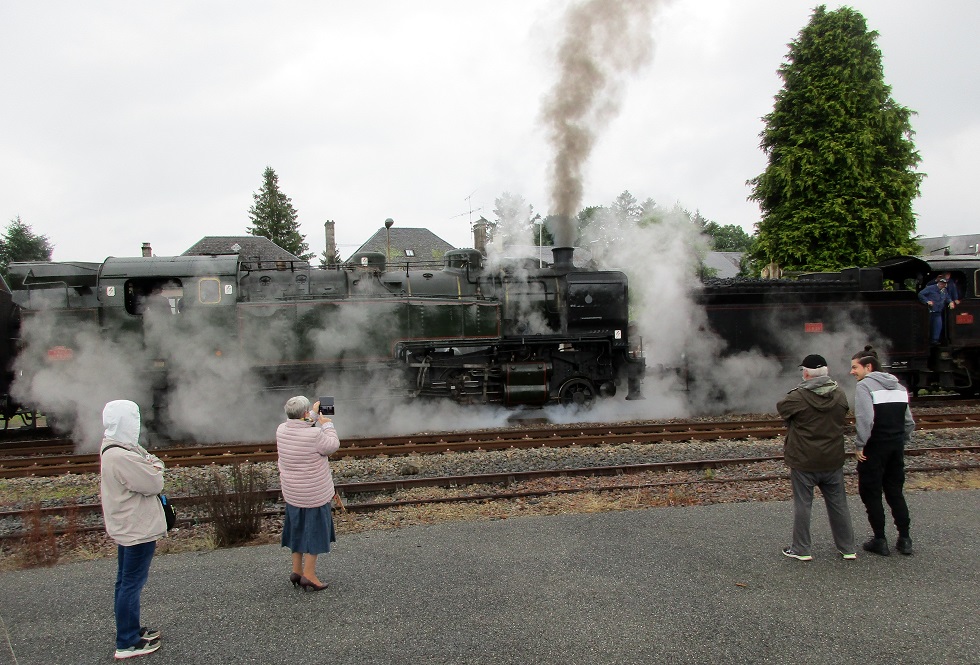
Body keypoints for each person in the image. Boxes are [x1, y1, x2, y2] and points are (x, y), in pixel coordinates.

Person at [99, 400, 166, 660]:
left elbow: (148, 459)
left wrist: (151, 462)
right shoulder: (122, 455)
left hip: (128, 526)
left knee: (126, 582)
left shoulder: (115, 447)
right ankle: (127, 642)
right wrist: (155, 467)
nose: (137, 424)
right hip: (136, 528)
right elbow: (154, 481)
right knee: (131, 584)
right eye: (133, 418)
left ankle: (131, 630)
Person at [776, 354, 856, 561]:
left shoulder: (797, 397)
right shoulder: (839, 394)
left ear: (805, 373)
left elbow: (782, 408)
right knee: (839, 504)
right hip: (832, 459)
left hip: (804, 460)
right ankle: (848, 547)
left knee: (803, 504)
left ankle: (801, 549)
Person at [849, 347, 916, 556]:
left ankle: (880, 539)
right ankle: (905, 539)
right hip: (895, 447)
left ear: (868, 367)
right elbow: (909, 422)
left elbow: (866, 419)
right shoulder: (899, 387)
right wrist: (901, 441)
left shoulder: (864, 387)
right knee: (895, 491)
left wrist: (860, 444)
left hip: (874, 448)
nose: (852, 372)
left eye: (855, 368)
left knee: (871, 493)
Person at [277, 396, 341, 591]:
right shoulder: (315, 435)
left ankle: (296, 571)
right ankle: (310, 575)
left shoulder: (281, 430)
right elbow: (332, 445)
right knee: (314, 533)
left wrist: (313, 413)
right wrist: (327, 425)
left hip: (293, 494)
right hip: (314, 495)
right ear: (304, 414)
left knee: (296, 530)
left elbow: (300, 425)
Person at [918, 277, 954, 344]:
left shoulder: (944, 290)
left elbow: (947, 297)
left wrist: (950, 302)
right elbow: (921, 294)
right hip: (929, 311)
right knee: (928, 326)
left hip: (938, 311)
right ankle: (926, 340)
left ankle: (935, 340)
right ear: (939, 283)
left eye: (944, 284)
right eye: (941, 283)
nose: (942, 285)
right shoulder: (930, 288)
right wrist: (927, 301)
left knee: (938, 325)